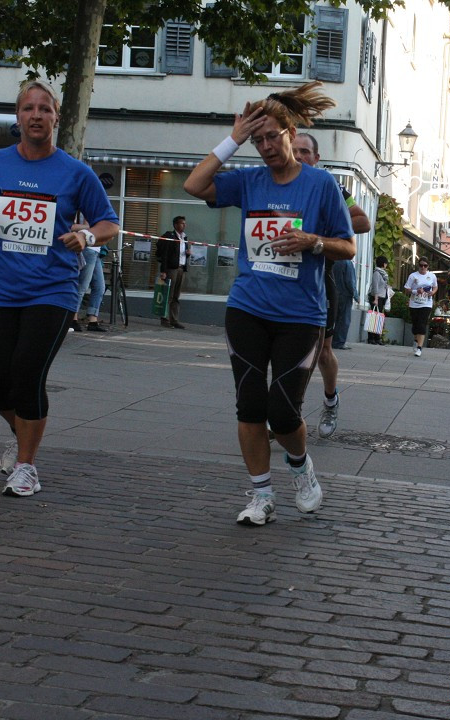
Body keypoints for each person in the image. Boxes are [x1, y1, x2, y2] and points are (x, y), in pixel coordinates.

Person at [182, 81, 354, 527]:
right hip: (248, 307)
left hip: (300, 315)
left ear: (290, 133)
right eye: (257, 140)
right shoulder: (248, 180)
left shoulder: (320, 185)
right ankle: (261, 495)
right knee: (249, 405)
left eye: (271, 137)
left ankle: (301, 469)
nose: (265, 147)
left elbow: (347, 247)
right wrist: (232, 139)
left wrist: (312, 241)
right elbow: (194, 184)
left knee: (282, 412)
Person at [0, 79, 119, 497]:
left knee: (27, 373)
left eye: (44, 109)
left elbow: (109, 223)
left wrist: (85, 238)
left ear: (56, 117)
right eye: (28, 108)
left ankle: (27, 466)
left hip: (52, 291)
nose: (36, 115)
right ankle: (22, 431)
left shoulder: (76, 172)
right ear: (18, 116)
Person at [291, 132, 371, 438]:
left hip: (321, 275)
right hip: (283, 277)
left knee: (321, 351)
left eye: (304, 152)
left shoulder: (330, 186)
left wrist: (320, 234)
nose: (298, 157)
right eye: (293, 151)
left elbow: (362, 221)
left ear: (316, 158)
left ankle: (329, 399)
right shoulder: (278, 183)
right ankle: (287, 408)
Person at [157, 216, 190, 329]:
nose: (184, 225)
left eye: (185, 223)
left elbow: (181, 253)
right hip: (171, 269)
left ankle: (174, 320)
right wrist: (163, 271)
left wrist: (187, 253)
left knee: (176, 296)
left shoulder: (184, 237)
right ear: (176, 225)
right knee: (169, 295)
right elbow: (165, 255)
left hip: (181, 268)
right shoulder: (170, 236)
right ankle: (165, 319)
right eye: (182, 223)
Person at [73, 232, 107, 332]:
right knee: (82, 285)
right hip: (89, 249)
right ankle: (73, 318)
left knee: (99, 287)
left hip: (96, 250)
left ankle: (92, 320)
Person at [404, 257, 437, 357]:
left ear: (428, 266)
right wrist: (415, 291)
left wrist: (433, 292)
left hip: (426, 303)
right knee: (415, 325)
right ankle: (415, 339)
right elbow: (406, 289)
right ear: (418, 265)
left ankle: (419, 348)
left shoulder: (432, 276)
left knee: (422, 324)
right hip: (414, 303)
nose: (423, 267)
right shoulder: (413, 276)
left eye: (425, 266)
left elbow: (435, 286)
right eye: (421, 265)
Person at [367, 255, 389, 345]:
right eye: (386, 263)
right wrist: (375, 299)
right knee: (374, 318)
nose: (386, 265)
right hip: (377, 298)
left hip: (382, 297)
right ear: (383, 264)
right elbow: (375, 287)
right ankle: (371, 338)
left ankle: (377, 338)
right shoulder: (377, 273)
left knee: (378, 319)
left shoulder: (383, 273)